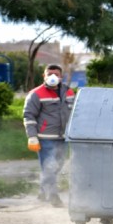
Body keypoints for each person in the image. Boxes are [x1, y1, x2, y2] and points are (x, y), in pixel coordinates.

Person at [23, 64, 75, 208]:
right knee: (50, 167)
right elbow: (29, 115)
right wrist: (32, 136)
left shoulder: (69, 92)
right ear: (44, 76)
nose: (53, 77)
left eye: (56, 74)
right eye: (49, 74)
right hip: (45, 138)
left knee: (58, 165)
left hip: (63, 137)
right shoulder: (36, 93)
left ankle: (42, 192)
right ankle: (53, 197)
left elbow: (74, 112)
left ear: (61, 76)